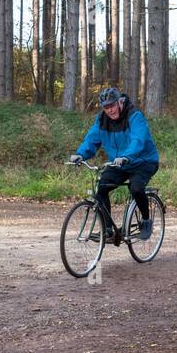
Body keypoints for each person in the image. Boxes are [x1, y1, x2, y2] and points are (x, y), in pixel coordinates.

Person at [69, 87, 159, 244]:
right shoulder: (102, 120)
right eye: (106, 107)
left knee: (136, 188)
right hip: (119, 163)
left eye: (112, 105)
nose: (109, 110)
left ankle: (145, 220)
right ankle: (109, 230)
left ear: (120, 102)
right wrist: (80, 154)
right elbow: (91, 140)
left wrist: (126, 156)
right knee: (101, 188)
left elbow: (138, 140)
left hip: (143, 161)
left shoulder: (134, 116)